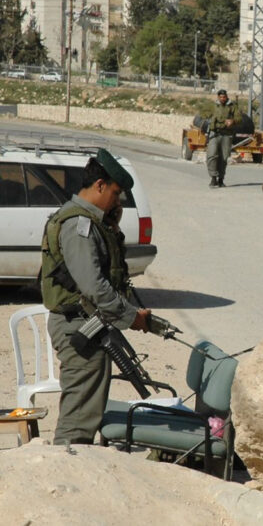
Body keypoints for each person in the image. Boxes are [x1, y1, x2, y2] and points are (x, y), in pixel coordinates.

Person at [40, 149, 151, 445]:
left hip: (88, 326)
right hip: (79, 328)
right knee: (78, 420)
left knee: (87, 409)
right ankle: (67, 472)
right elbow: (94, 287)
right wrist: (131, 318)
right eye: (115, 193)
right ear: (99, 185)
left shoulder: (93, 221)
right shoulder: (80, 226)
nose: (118, 201)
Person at [206, 89, 241, 188]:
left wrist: (232, 121)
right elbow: (205, 115)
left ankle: (221, 179)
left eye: (224, 97)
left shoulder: (232, 106)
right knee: (211, 155)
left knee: (223, 158)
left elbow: (239, 118)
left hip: (226, 134)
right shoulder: (213, 106)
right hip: (214, 133)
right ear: (218, 97)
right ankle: (213, 177)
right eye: (220, 97)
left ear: (226, 97)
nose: (222, 99)